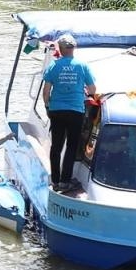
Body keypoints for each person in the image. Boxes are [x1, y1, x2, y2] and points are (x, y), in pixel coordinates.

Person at [42, 34, 97, 193]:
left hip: (57, 110)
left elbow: (46, 91)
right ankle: (65, 182)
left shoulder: (53, 66)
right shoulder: (82, 66)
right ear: (74, 48)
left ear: (60, 49)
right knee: (72, 147)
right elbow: (92, 89)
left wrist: (47, 106)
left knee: (56, 146)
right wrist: (86, 93)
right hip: (76, 111)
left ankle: (55, 181)